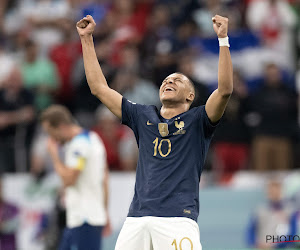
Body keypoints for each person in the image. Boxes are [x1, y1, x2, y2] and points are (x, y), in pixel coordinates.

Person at [77, 14, 233, 249]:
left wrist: (223, 40)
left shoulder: (198, 119)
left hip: (177, 219)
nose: (168, 82)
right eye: (166, 80)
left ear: (190, 96)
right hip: (136, 219)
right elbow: (99, 88)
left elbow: (224, 90)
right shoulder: (143, 116)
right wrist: (87, 39)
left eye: (177, 80)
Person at [40, 105, 110, 250]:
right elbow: (104, 179)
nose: (51, 139)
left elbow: (69, 180)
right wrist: (104, 211)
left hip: (84, 218)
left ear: (61, 126)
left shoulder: (79, 146)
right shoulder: (93, 138)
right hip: (87, 216)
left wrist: (54, 155)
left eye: (50, 132)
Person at [247, 180, 293, 249]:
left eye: (277, 191)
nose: (274, 194)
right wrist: (256, 243)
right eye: (271, 191)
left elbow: (292, 234)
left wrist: (276, 245)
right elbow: (250, 231)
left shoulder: (289, 211)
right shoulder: (259, 211)